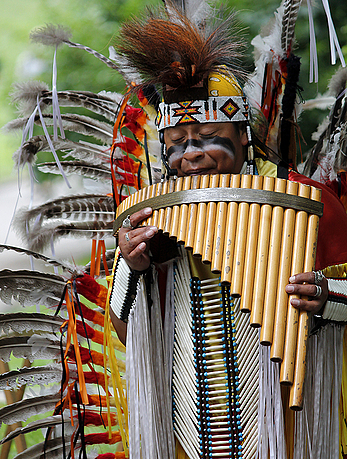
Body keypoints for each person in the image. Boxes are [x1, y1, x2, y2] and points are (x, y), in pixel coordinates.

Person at [109, 61, 347, 458]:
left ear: (243, 135)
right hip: (189, 418)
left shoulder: (310, 203)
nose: (192, 156)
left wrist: (327, 298)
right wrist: (133, 269)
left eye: (207, 136)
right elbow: (124, 328)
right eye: (177, 142)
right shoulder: (154, 217)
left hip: (290, 420)